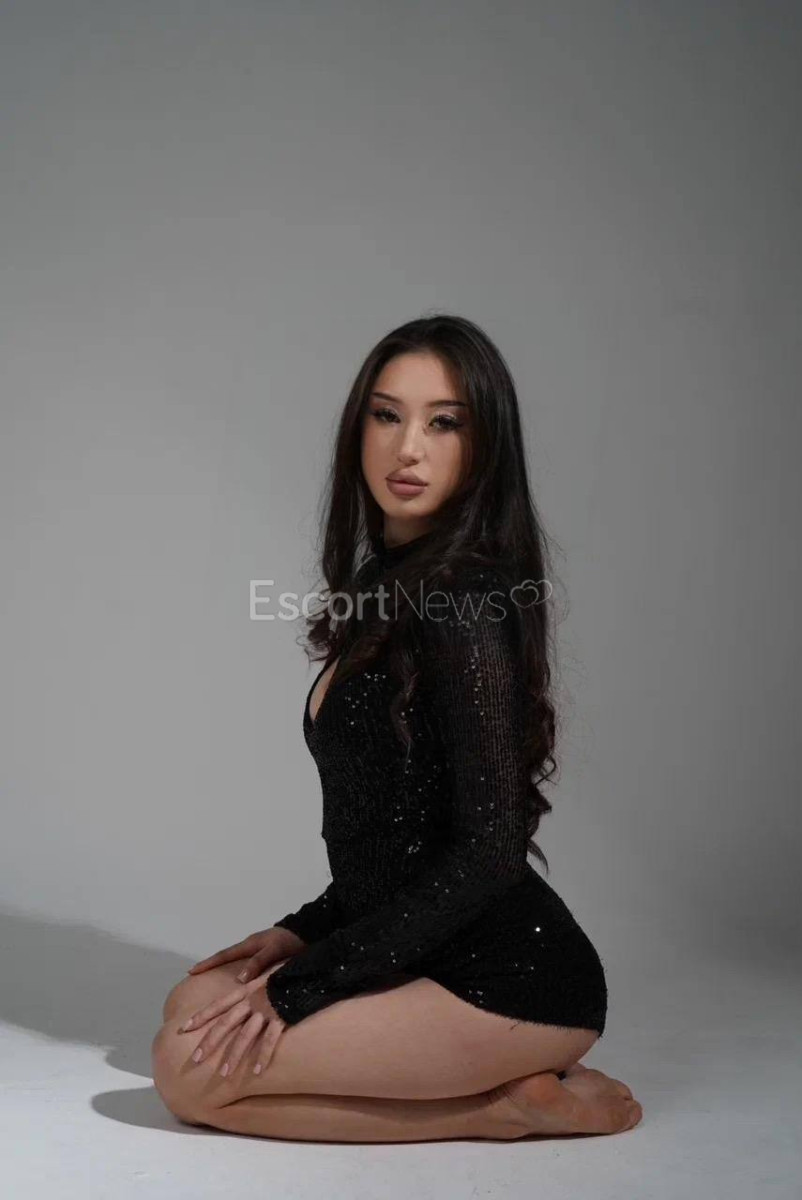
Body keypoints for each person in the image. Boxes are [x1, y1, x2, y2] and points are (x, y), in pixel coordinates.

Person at [152, 314, 642, 1142]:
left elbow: (488, 851)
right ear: (359, 429)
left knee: (185, 1073)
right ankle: (490, 1087)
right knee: (191, 1003)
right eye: (387, 415)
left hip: (508, 982)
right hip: (417, 945)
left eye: (444, 423)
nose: (408, 448)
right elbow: (398, 834)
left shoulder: (463, 606)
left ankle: (500, 1109)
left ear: (484, 447)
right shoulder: (391, 586)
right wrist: (304, 932)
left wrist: (306, 984)